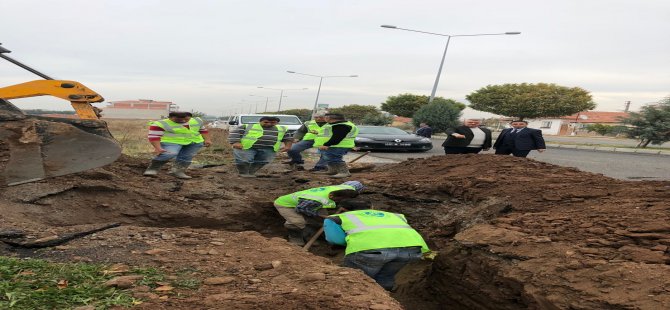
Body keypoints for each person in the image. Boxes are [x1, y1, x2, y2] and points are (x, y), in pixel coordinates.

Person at [324, 199, 430, 291]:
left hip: (370, 251)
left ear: (344, 209)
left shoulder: (336, 218)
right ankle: (385, 295)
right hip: (412, 250)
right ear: (372, 207)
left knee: (356, 280)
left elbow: (335, 239)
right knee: (386, 275)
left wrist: (352, 241)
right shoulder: (396, 215)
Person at [273, 181, 365, 246]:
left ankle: (310, 234)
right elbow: (301, 209)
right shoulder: (314, 200)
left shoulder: (348, 189)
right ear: (332, 196)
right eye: (339, 201)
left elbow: (355, 186)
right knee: (298, 221)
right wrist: (319, 215)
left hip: (311, 204)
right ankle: (295, 237)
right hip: (287, 204)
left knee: (324, 220)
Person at [143, 111, 212, 179]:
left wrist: (207, 140)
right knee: (169, 154)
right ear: (170, 118)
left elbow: (203, 130)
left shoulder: (196, 121)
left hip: (194, 142)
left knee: (187, 156)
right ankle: (152, 169)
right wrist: (158, 148)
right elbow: (154, 136)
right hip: (171, 142)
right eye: (179, 119)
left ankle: (177, 171)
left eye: (186, 119)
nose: (183, 121)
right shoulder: (160, 124)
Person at [228, 116, 292, 177]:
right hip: (246, 147)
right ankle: (243, 172)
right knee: (243, 160)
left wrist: (287, 146)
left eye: (273, 123)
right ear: (260, 122)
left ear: (277, 123)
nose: (269, 124)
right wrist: (236, 142)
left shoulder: (282, 129)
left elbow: (288, 138)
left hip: (269, 149)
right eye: (266, 122)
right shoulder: (249, 126)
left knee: (262, 161)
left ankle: (251, 172)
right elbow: (235, 133)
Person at [313, 113, 359, 178]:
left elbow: (337, 137)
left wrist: (327, 144)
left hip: (339, 146)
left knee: (335, 158)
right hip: (336, 145)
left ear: (329, 118)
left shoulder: (341, 126)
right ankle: (332, 170)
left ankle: (344, 172)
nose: (324, 119)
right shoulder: (337, 124)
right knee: (329, 158)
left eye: (325, 117)